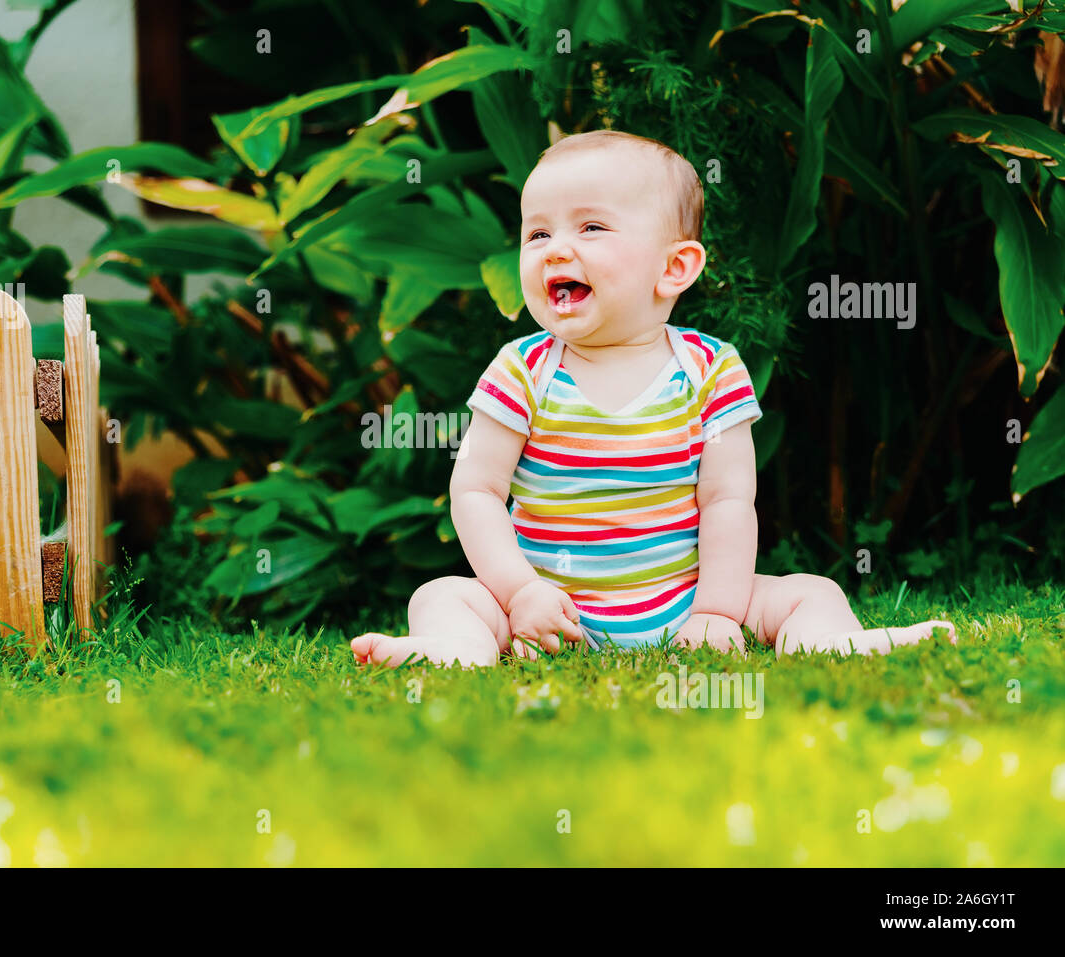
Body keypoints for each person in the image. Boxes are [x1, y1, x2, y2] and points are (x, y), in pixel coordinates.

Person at [353, 130, 956, 668]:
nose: (554, 249)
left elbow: (726, 500)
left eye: (590, 227)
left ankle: (829, 641)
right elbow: (477, 491)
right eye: (537, 232)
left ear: (674, 268)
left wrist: (718, 613)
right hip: (545, 616)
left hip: (684, 606)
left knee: (809, 591)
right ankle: (457, 649)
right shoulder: (522, 370)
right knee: (440, 595)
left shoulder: (711, 371)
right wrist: (519, 593)